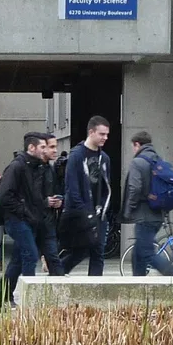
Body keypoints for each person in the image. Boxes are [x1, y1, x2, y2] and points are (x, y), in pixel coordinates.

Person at [0, 134, 49, 309]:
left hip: (28, 219)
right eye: (42, 147)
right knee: (30, 255)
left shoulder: (36, 167)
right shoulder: (17, 166)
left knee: (18, 260)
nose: (45, 150)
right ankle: (29, 302)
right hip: (17, 219)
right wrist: (26, 212)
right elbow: (5, 196)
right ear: (31, 148)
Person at [60, 116, 111, 275]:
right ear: (91, 132)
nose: (105, 138)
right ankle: (56, 274)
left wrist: (103, 209)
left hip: (99, 214)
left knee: (98, 252)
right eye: (102, 134)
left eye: (107, 134)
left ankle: (96, 287)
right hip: (80, 213)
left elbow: (106, 187)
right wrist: (84, 213)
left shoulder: (105, 158)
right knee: (80, 251)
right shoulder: (76, 156)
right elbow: (72, 188)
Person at [123, 132, 173, 277]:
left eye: (133, 146)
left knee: (147, 253)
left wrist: (128, 210)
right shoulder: (157, 160)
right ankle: (138, 283)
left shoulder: (138, 162)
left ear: (137, 144)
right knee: (138, 254)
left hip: (144, 216)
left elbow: (135, 188)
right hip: (157, 215)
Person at [36, 135, 67, 274]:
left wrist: (59, 201)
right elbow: (23, 196)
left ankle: (57, 279)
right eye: (52, 147)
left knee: (54, 258)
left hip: (48, 220)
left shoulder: (50, 169)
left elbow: (55, 190)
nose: (55, 150)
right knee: (23, 259)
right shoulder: (29, 168)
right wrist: (45, 202)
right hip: (31, 221)